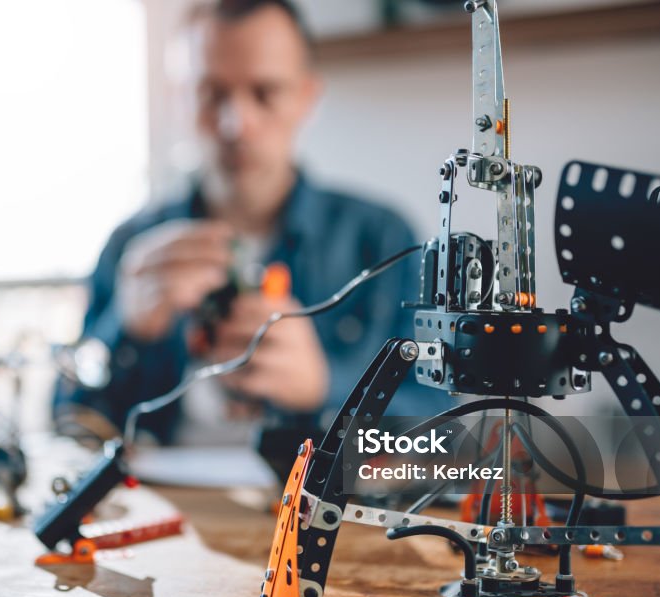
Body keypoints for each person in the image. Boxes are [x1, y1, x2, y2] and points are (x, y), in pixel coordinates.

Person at [54, 0, 451, 445]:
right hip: (162, 504)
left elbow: (444, 427)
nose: (236, 123)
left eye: (264, 92)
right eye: (211, 94)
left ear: (307, 97)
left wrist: (325, 386)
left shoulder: (381, 241)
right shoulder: (132, 246)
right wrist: (121, 327)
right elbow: (67, 422)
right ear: (180, 100)